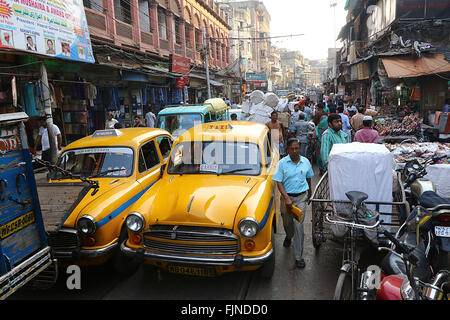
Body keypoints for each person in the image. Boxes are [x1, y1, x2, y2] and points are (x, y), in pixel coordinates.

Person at [272, 138, 314, 269]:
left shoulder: (305, 162)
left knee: (299, 226)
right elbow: (278, 182)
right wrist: (286, 198)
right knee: (287, 224)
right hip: (286, 199)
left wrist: (309, 192)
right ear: (287, 150)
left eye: (297, 148)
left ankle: (298, 257)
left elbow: (308, 177)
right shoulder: (282, 163)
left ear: (300, 149)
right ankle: (288, 236)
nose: (295, 151)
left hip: (301, 198)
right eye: (292, 148)